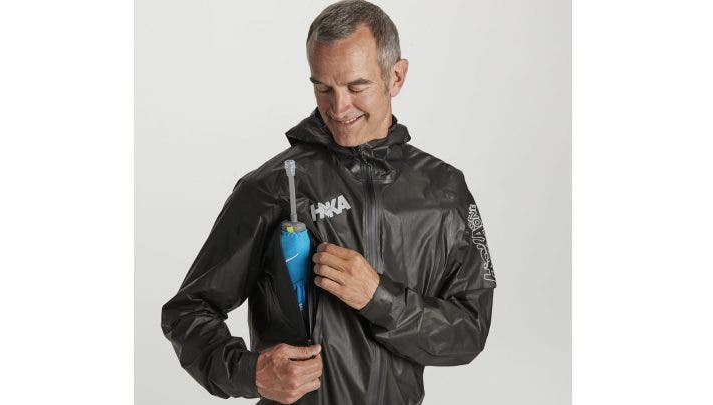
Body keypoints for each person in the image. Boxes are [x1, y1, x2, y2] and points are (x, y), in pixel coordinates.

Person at [161, 1, 497, 404]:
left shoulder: (445, 190)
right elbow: (187, 310)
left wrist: (379, 298)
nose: (338, 108)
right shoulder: (271, 187)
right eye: (323, 88)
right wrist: (250, 373)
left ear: (396, 76)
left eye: (356, 87)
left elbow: (469, 333)